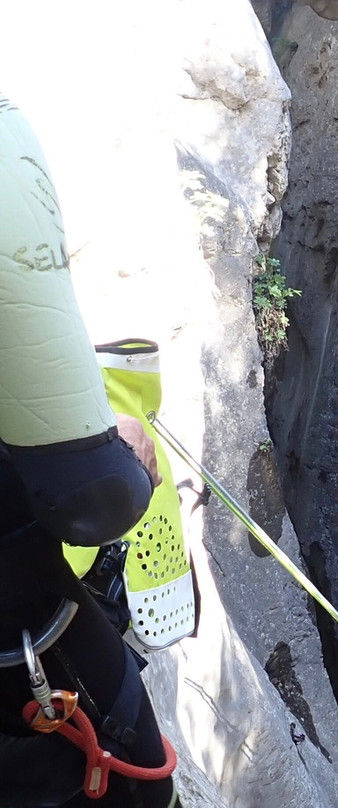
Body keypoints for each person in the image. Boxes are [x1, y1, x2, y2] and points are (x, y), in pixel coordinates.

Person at [0, 91, 179, 807]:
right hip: (24, 655)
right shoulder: (6, 154)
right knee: (137, 774)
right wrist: (116, 442)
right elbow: (91, 500)